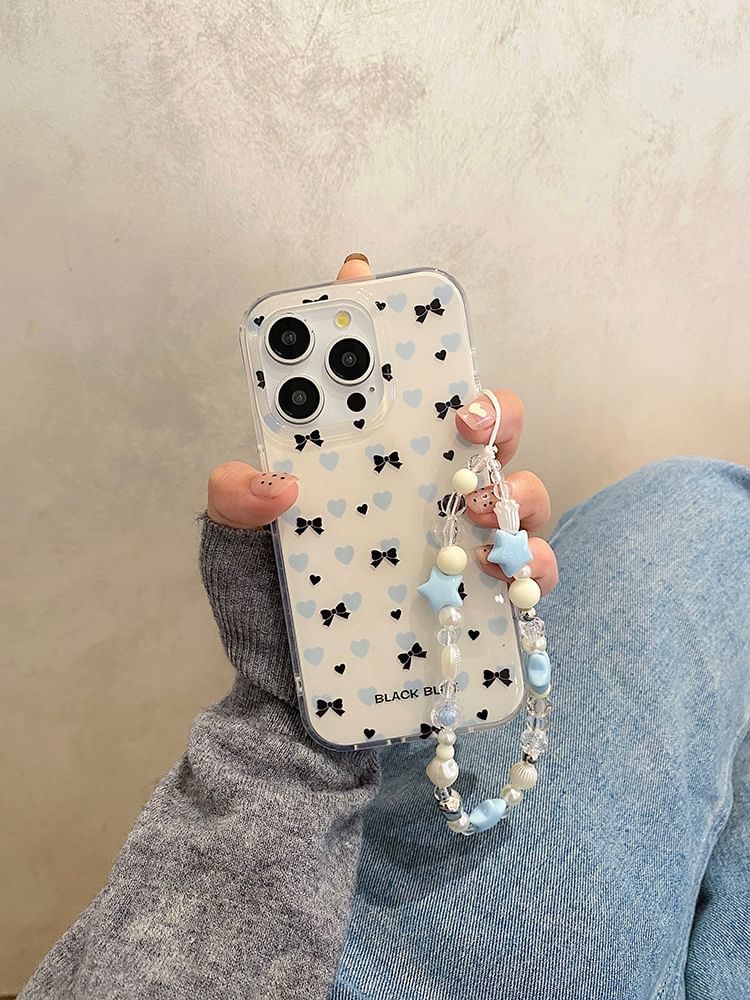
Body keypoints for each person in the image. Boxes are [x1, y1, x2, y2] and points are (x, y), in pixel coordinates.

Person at [19, 256, 750, 1000]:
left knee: (704, 510)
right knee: (709, 503)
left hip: (303, 850)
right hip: (392, 938)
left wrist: (286, 707)